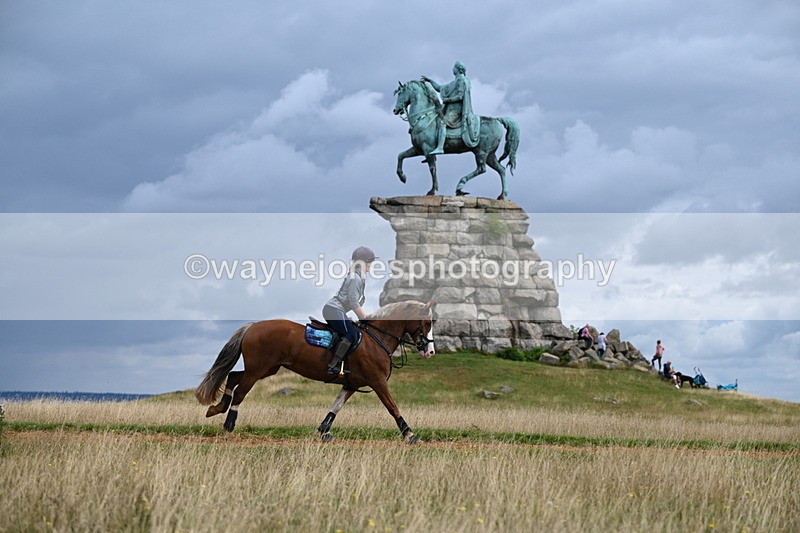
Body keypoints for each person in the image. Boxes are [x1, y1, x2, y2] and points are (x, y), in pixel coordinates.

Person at [322, 246, 376, 375]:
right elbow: (353, 303)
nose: (371, 265)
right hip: (333, 310)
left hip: (337, 311)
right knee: (351, 334)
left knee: (354, 332)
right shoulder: (355, 278)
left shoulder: (359, 278)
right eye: (369, 262)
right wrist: (366, 319)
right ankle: (333, 365)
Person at [421, 61, 480, 156]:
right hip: (450, 109)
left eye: (454, 67)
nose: (452, 69)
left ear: (458, 69)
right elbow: (440, 88)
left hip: (457, 110)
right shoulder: (454, 82)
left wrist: (448, 100)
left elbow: (460, 96)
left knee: (442, 123)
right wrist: (430, 81)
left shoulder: (462, 81)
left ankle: (440, 147)